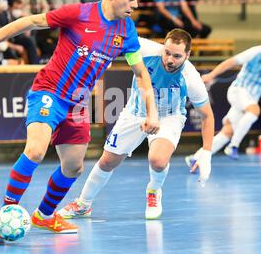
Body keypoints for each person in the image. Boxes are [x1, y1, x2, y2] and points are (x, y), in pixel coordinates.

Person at [0, 0, 159, 242]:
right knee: (36, 150)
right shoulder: (79, 13)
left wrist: (152, 111)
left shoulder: (127, 31)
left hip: (77, 104)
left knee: (74, 167)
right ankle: (7, 212)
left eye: (137, 0)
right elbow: (28, 22)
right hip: (49, 92)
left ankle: (45, 214)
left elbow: (141, 74)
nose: (135, 5)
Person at [58, 30, 214, 220]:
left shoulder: (191, 77)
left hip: (169, 117)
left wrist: (206, 152)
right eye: (167, 52)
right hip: (135, 113)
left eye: (177, 56)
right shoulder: (146, 49)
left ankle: (154, 191)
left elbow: (207, 115)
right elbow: (115, 34)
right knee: (107, 161)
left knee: (158, 160)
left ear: (187, 55)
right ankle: (83, 204)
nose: (169, 60)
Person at [186, 27, 261, 162]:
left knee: (227, 131)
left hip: (249, 99)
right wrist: (212, 75)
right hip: (238, 90)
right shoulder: (256, 51)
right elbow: (230, 62)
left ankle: (196, 158)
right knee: (255, 110)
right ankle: (233, 146)